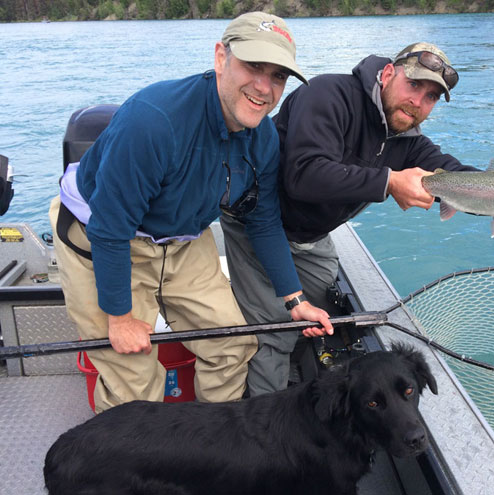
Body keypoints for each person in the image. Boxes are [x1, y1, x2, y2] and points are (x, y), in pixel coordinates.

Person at [221, 41, 494, 397]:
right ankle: (264, 415)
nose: (418, 102)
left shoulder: (408, 141)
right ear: (387, 74)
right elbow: (303, 174)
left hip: (312, 235)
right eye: (413, 84)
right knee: (272, 329)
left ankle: (292, 357)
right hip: (260, 223)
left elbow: (466, 181)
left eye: (430, 97)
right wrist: (388, 181)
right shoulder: (329, 95)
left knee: (322, 291)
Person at [48, 11, 332, 413]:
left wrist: (295, 300)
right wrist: (120, 318)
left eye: (279, 76)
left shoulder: (263, 136)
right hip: (103, 236)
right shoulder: (155, 120)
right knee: (133, 376)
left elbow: (262, 218)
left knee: (232, 346)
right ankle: (131, 466)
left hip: (182, 238)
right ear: (221, 57)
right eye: (253, 66)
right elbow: (110, 228)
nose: (264, 88)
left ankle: (208, 448)